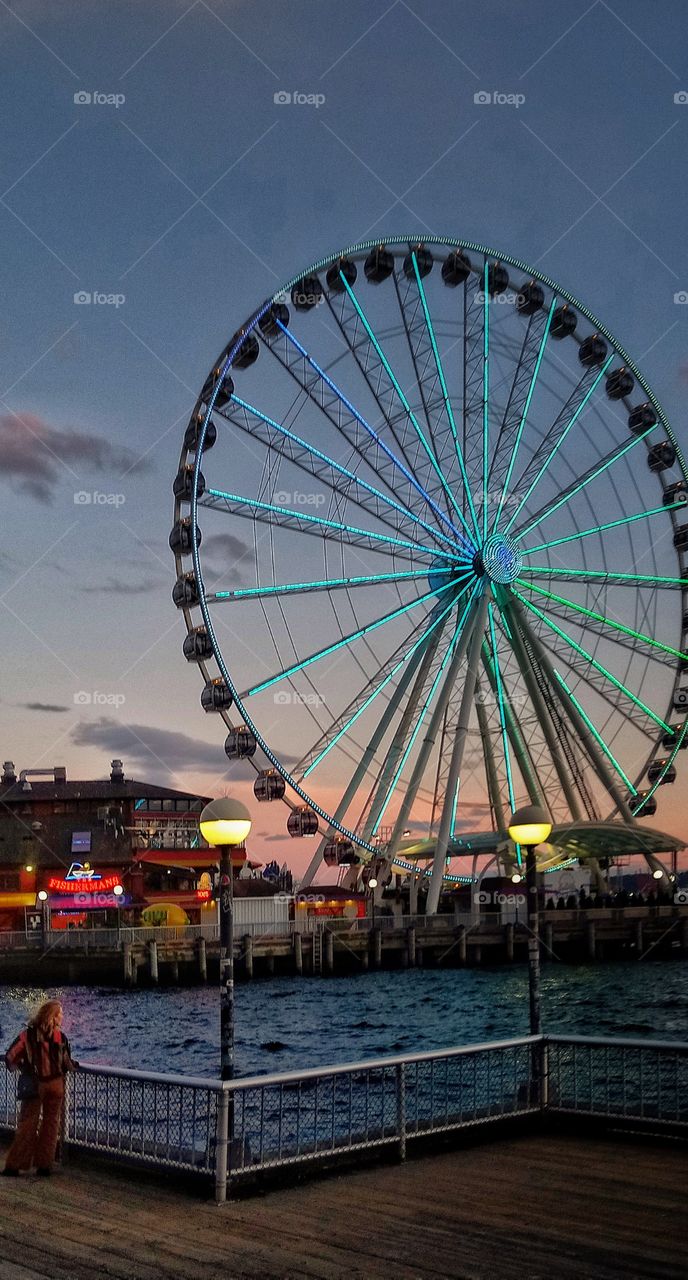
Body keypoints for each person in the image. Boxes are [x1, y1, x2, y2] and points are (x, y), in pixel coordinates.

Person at [3, 1000, 78, 1177]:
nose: (63, 1016)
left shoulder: (28, 1035)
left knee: (28, 1123)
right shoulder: (61, 1037)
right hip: (56, 1084)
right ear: (53, 1016)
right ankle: (44, 1165)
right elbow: (67, 1063)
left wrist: (22, 1067)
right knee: (51, 1126)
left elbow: (10, 1057)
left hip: (35, 1085)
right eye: (60, 1013)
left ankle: (15, 1165)